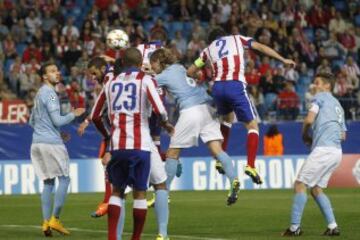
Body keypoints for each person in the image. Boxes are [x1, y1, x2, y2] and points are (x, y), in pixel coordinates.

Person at [187, 27, 295, 184]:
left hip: (217, 88)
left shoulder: (207, 50)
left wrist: (197, 76)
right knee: (252, 125)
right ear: (223, 36)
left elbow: (190, 70)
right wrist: (283, 59)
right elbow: (261, 47)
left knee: (227, 119)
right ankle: (250, 165)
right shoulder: (236, 39)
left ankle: (219, 157)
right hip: (235, 85)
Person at [150, 48, 240, 205]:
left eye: (153, 64)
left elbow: (146, 84)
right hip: (207, 109)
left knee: (172, 153)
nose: (152, 68)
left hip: (191, 110)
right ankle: (234, 179)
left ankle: (164, 193)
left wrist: (145, 73)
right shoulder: (180, 68)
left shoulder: (162, 76)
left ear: (159, 61)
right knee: (217, 149)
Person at [104, 47, 174, 240]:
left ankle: (114, 237)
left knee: (117, 192)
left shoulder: (111, 82)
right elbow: (160, 110)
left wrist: (106, 137)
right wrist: (166, 123)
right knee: (149, 189)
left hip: (118, 142)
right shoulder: (147, 80)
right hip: (143, 141)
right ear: (140, 62)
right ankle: (159, 234)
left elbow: (98, 114)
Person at [282, 72, 346, 236]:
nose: (314, 85)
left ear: (327, 86)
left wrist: (305, 135)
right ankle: (333, 226)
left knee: (299, 185)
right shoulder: (338, 104)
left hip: (324, 149)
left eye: (317, 82)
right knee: (316, 189)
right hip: (336, 151)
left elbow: (309, 120)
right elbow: (343, 135)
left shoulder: (319, 98)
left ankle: (294, 228)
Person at [29, 62, 85, 236]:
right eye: (52, 71)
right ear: (45, 77)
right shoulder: (51, 94)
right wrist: (73, 115)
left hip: (37, 143)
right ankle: (55, 219)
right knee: (65, 179)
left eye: (57, 70)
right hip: (51, 144)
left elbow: (32, 121)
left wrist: (57, 133)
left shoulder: (39, 94)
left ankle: (45, 223)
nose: (58, 73)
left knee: (48, 182)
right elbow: (58, 121)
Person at [77, 57, 117, 218]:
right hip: (116, 130)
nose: (92, 78)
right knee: (107, 163)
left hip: (122, 129)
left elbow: (98, 112)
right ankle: (108, 200)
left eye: (94, 73)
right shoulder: (111, 76)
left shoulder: (110, 77)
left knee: (108, 162)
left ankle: (109, 200)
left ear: (102, 68)